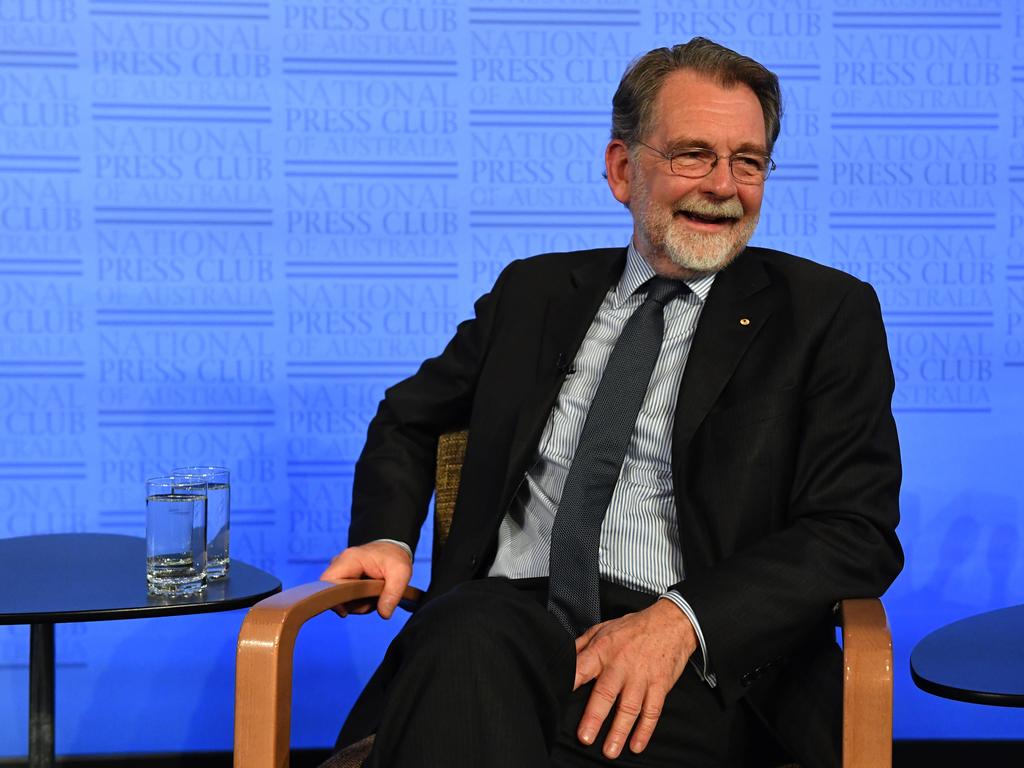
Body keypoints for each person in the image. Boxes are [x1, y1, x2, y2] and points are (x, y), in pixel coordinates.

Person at [321, 37, 903, 768]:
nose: (723, 184)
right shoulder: (532, 296)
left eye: (748, 162)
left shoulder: (823, 315)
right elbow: (412, 416)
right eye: (694, 154)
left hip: (700, 671)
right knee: (472, 631)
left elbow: (855, 529)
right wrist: (386, 536)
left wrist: (681, 622)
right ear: (623, 169)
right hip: (499, 634)